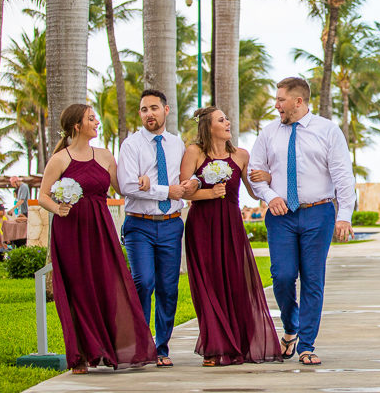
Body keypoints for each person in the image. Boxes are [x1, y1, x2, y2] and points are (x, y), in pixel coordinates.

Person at [37, 104, 156, 373]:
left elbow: (121, 187)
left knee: (107, 285)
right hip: (70, 231)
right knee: (77, 290)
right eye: (91, 119)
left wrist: (145, 180)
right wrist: (58, 208)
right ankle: (80, 354)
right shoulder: (60, 159)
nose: (97, 122)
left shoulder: (104, 156)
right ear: (77, 126)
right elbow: (44, 195)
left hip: (102, 230)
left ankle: (112, 349)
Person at [248, 77, 356, 365]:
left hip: (318, 212)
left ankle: (307, 344)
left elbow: (343, 176)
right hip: (280, 215)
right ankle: (291, 326)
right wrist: (271, 196)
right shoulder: (269, 133)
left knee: (312, 279)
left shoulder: (328, 131)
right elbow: (254, 172)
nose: (276, 105)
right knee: (282, 277)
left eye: (281, 99)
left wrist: (344, 215)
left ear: (299, 101)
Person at [179, 107, 282, 366]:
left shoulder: (241, 155)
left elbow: (255, 192)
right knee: (208, 284)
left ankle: (241, 343)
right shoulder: (194, 152)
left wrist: (267, 178)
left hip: (231, 225)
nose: (228, 122)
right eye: (221, 119)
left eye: (227, 118)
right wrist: (208, 194)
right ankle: (214, 347)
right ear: (208, 126)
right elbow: (183, 192)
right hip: (201, 225)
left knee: (236, 282)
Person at [117, 89, 196, 368]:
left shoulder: (177, 144)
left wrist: (191, 184)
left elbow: (186, 179)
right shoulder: (131, 145)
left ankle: (161, 347)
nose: (148, 114)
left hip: (172, 226)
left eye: (153, 108)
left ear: (166, 110)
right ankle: (140, 344)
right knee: (143, 282)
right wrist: (166, 191)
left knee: (168, 288)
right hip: (139, 225)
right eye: (143, 110)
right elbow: (128, 186)